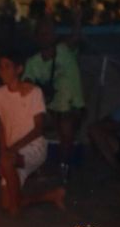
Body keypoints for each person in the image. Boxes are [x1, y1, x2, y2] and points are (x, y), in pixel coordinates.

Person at [0, 56, 66, 214]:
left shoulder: (33, 92)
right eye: (1, 67)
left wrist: (11, 151)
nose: (3, 71)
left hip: (33, 146)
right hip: (12, 150)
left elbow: (38, 129)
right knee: (6, 202)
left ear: (18, 69)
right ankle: (50, 196)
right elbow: (1, 127)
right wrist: (4, 151)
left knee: (7, 162)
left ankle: (15, 211)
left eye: (7, 66)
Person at [21, 19, 85, 167]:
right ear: (36, 37)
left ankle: (63, 167)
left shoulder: (65, 50)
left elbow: (75, 36)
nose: (45, 37)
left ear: (54, 36)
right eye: (41, 33)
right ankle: (35, 166)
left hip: (73, 108)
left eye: (48, 33)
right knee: (27, 123)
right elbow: (26, 86)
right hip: (50, 110)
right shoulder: (33, 63)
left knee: (66, 122)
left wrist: (77, 18)